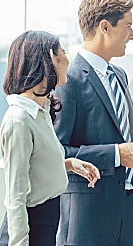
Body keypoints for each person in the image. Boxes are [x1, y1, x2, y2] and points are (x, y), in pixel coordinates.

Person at [53, 0, 133, 246]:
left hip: (129, 211)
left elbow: (122, 138)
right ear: (104, 27)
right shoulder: (68, 81)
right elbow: (57, 152)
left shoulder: (119, 74)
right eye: (128, 26)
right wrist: (117, 155)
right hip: (89, 218)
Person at [0, 30, 100, 246]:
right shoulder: (19, 120)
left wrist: (69, 164)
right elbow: (15, 197)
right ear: (49, 59)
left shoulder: (41, 110)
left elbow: (35, 170)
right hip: (30, 227)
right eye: (63, 52)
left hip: (46, 220)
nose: (67, 58)